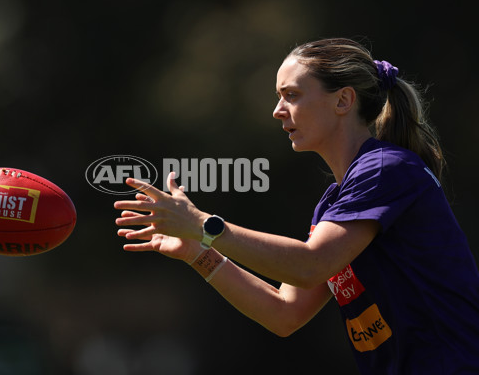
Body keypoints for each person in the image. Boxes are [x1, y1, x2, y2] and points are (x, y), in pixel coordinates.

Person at [113, 37, 479, 374]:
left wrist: (203, 224)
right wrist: (198, 252)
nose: (277, 110)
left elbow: (311, 264)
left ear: (343, 100)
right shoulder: (335, 201)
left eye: (291, 95)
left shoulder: (386, 169)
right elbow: (285, 312)